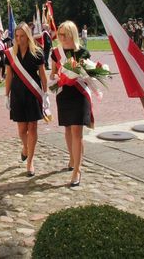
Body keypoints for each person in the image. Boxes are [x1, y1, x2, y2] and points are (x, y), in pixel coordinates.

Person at [51, 21, 92, 187]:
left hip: (79, 94)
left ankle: (77, 169)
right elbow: (53, 73)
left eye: (64, 34)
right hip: (64, 94)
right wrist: (55, 78)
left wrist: (79, 76)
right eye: (59, 34)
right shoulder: (56, 53)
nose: (61, 37)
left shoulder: (82, 52)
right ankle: (72, 158)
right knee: (68, 128)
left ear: (72, 34)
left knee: (77, 130)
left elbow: (88, 75)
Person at [4, 22, 48, 177]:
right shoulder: (10, 53)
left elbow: (42, 74)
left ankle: (30, 161)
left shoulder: (37, 52)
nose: (19, 39)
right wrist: (6, 95)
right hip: (17, 93)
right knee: (22, 129)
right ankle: (25, 148)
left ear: (28, 36)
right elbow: (9, 75)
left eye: (22, 36)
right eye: (16, 36)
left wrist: (46, 94)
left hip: (33, 93)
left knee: (33, 127)